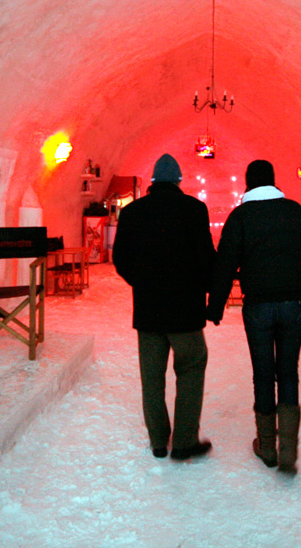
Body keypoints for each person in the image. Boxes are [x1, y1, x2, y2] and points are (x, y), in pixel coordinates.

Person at [207, 159, 301, 472]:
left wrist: (215, 307)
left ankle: (267, 447)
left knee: (262, 372)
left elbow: (225, 263)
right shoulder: (294, 211)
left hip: (257, 306)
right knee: (288, 371)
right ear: (273, 180)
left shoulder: (241, 216)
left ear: (248, 183)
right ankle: (288, 451)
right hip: (293, 304)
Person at [112, 154, 217, 460]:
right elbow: (206, 257)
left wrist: (142, 282)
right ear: (179, 180)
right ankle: (184, 441)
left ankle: (158, 440)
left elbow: (120, 258)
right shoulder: (195, 209)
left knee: (152, 377)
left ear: (154, 182)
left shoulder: (132, 212)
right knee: (191, 368)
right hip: (186, 311)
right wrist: (204, 288)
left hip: (148, 310)